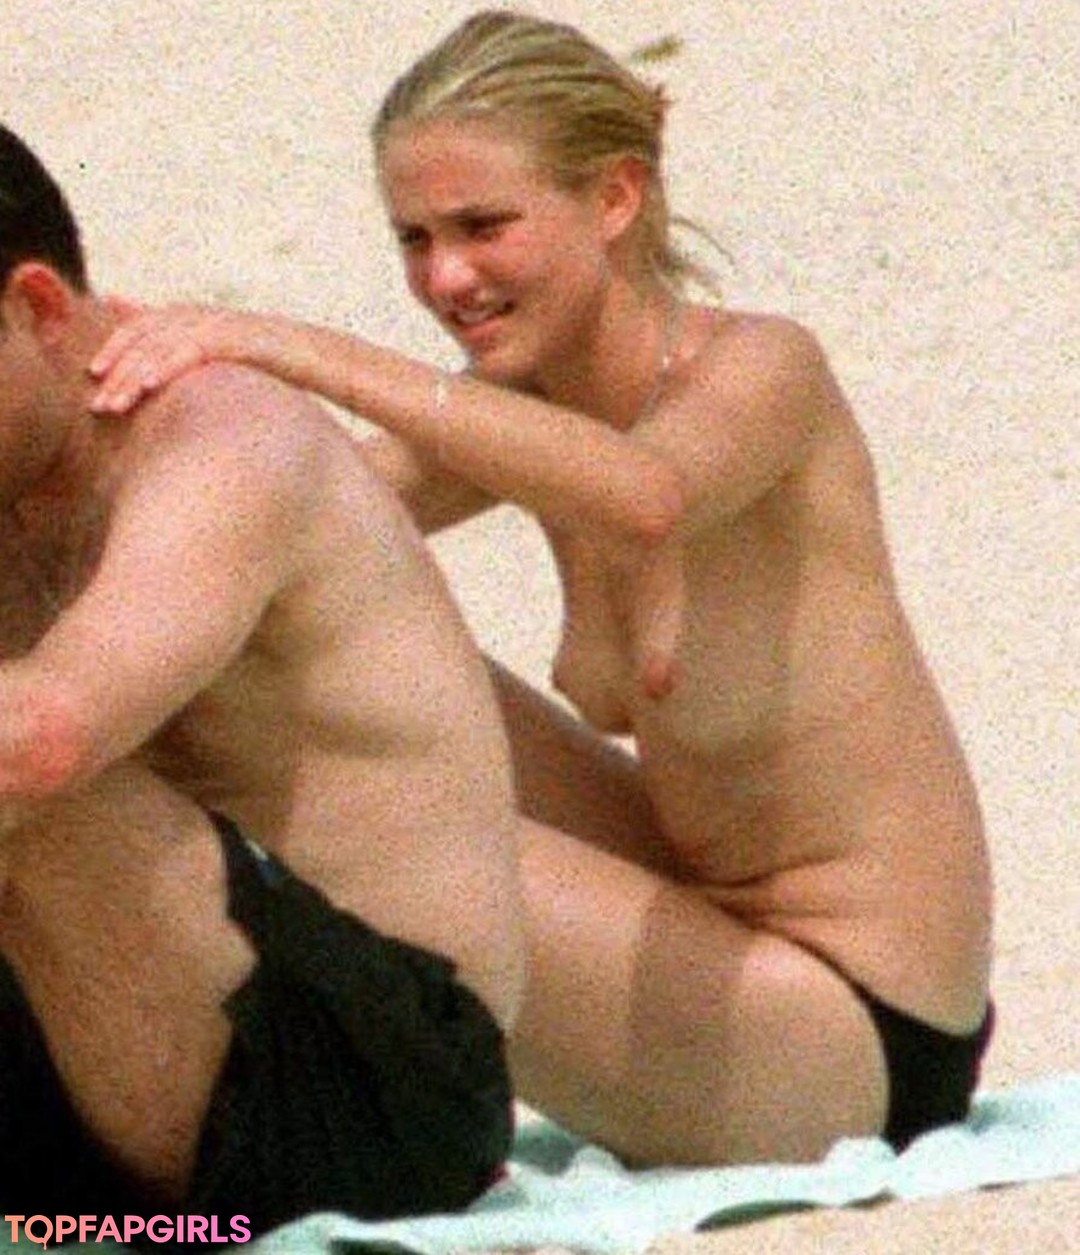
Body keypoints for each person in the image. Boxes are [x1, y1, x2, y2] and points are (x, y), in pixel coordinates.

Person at [89, 9, 994, 1168]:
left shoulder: (767, 373)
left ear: (614, 197)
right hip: (699, 915)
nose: (444, 277)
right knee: (275, 649)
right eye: (414, 239)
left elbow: (646, 495)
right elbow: (267, 529)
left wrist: (288, 346)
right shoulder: (521, 414)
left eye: (482, 227)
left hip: (856, 1021)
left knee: (353, 800)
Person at [0, 121, 529, 1243]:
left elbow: (44, 740)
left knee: (28, 774)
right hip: (121, 1050)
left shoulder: (222, 439)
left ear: (37, 309)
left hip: (379, 1089)